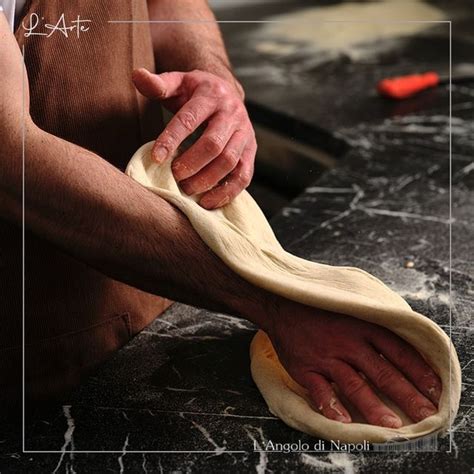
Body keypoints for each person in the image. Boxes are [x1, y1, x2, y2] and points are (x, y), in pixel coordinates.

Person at [0, 1, 441, 428]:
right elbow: (12, 158)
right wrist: (278, 299)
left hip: (163, 297)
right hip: (30, 351)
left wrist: (215, 78)